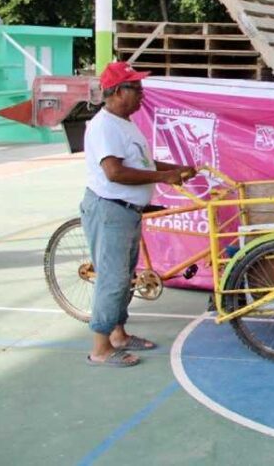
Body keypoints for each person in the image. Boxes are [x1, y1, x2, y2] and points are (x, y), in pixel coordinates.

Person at [82, 62, 195, 367]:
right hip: (110, 210)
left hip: (126, 212)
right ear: (118, 92)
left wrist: (174, 170)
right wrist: (163, 178)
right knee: (113, 279)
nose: (142, 93)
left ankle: (118, 334)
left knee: (125, 277)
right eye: (136, 88)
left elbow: (141, 163)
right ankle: (101, 349)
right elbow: (114, 172)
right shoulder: (104, 125)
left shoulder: (125, 123)